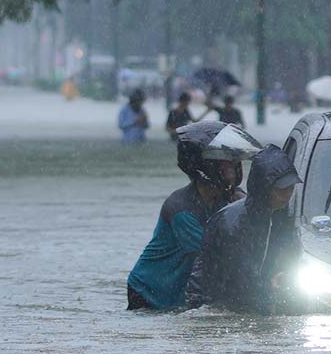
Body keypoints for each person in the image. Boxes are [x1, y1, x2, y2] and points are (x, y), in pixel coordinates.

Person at [126, 122, 260, 310]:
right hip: (149, 291)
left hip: (180, 289)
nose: (236, 169)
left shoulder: (230, 198)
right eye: (228, 163)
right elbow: (215, 254)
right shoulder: (181, 209)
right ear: (207, 166)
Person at [186, 145, 303, 312]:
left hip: (253, 301)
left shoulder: (280, 215)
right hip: (217, 306)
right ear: (265, 188)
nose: (288, 194)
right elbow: (241, 280)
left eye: (291, 188)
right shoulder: (232, 224)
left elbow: (290, 252)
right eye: (282, 189)